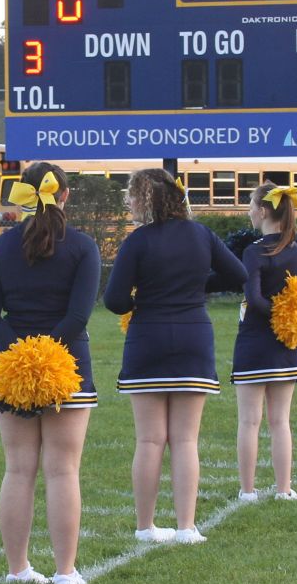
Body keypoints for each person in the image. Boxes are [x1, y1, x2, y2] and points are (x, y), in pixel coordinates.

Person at [102, 168, 245, 544]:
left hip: (147, 338)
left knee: (149, 441)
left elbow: (114, 300)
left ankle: (145, 527)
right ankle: (187, 527)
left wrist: (143, 297)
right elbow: (239, 274)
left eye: (132, 197)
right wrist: (198, 286)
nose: (130, 204)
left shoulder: (138, 242)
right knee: (185, 440)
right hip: (193, 337)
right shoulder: (202, 235)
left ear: (146, 200)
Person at [0, 161, 99, 584]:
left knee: (18, 469)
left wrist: (20, 351)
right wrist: (48, 353)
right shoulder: (82, 246)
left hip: (10, 369)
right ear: (65, 195)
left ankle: (18, 569)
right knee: (63, 470)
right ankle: (66, 572)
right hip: (68, 366)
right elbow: (79, 315)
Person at [231, 183, 297, 500]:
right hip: (285, 341)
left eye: (250, 205)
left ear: (263, 211)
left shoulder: (255, 250)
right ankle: (283, 488)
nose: (248, 211)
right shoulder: (294, 249)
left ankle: (247, 491)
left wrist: (273, 313)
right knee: (280, 421)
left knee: (249, 421)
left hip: (254, 339)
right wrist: (288, 317)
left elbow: (254, 298)